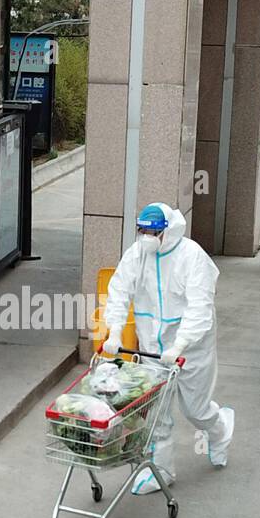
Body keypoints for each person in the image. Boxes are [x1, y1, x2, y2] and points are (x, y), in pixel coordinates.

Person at [102, 204, 235, 495]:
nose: (147, 236)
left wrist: (180, 344)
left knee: (195, 410)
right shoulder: (138, 254)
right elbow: (119, 290)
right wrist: (114, 330)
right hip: (152, 346)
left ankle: (220, 429)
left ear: (168, 231)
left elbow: (199, 307)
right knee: (157, 412)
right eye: (143, 231)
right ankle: (161, 470)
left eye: (154, 232)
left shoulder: (191, 257)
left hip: (191, 347)